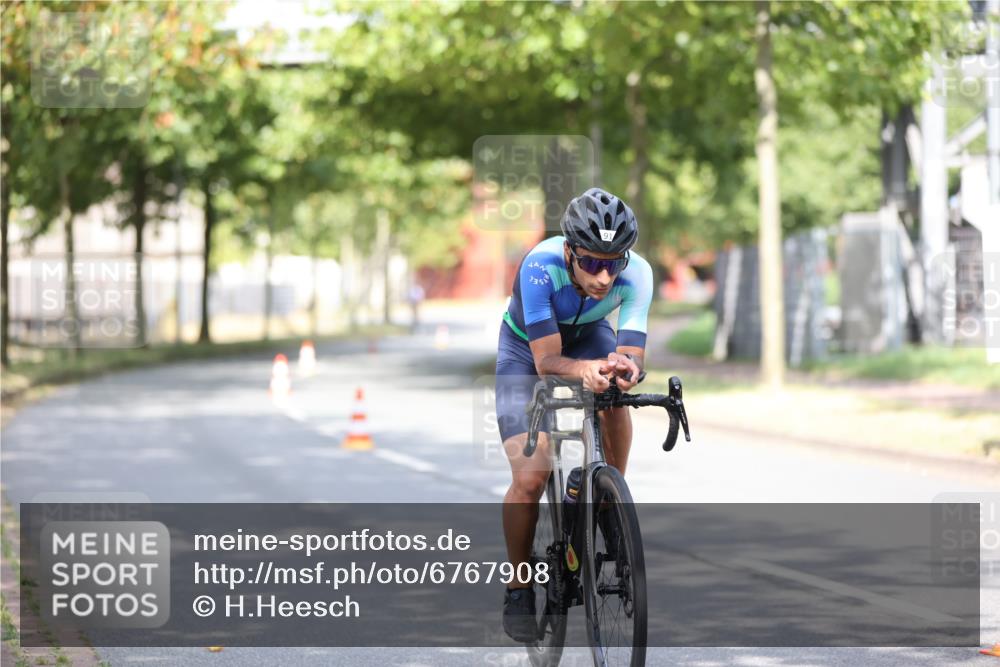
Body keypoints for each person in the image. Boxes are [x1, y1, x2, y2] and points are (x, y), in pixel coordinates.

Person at [495, 187, 653, 642]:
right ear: (569, 251)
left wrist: (625, 370)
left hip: (589, 336)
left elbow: (630, 353)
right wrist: (584, 370)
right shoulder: (540, 267)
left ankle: (608, 496)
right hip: (526, 351)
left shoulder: (638, 273)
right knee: (530, 477)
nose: (604, 277)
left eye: (614, 263)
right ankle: (518, 582)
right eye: (591, 263)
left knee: (614, 398)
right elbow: (546, 362)